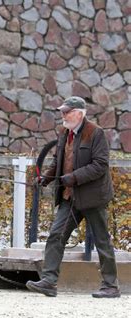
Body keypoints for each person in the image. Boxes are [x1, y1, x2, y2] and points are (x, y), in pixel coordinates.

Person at [26, 96, 120, 298]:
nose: (63, 115)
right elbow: (58, 161)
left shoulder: (95, 133)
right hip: (70, 197)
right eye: (62, 111)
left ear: (79, 113)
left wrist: (74, 177)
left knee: (102, 241)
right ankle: (49, 282)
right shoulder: (64, 133)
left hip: (93, 197)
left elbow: (100, 165)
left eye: (67, 111)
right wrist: (47, 178)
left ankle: (110, 286)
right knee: (56, 236)